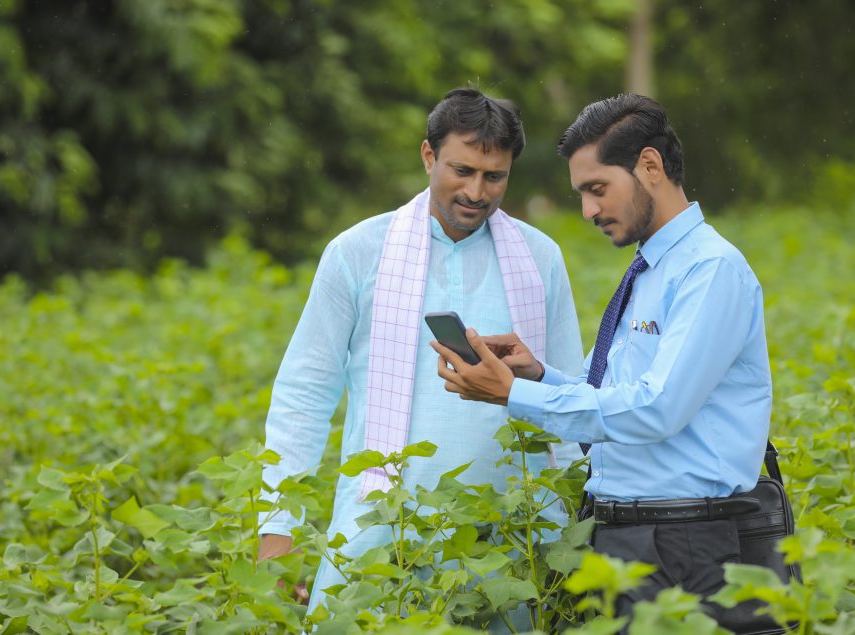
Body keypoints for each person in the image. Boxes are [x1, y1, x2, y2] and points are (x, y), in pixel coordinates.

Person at [432, 93, 772, 630]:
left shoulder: (710, 270)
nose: (588, 211)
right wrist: (537, 374)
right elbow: (609, 392)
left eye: (597, 189)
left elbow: (656, 409)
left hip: (684, 543)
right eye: (581, 194)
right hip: (624, 537)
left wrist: (512, 394)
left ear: (650, 167)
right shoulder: (650, 269)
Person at [257, 88, 585, 612]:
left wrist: (579, 525)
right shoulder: (356, 252)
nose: (476, 192)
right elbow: (305, 392)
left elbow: (572, 397)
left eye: (494, 176)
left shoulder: (540, 258)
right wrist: (278, 529)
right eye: (461, 171)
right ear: (428, 156)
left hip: (519, 536)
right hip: (381, 524)